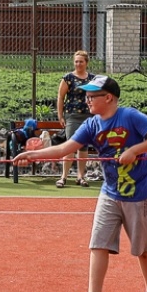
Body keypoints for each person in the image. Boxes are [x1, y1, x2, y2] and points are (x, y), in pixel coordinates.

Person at [15, 75, 147, 292]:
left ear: (108, 97)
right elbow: (65, 149)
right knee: (98, 244)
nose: (86, 100)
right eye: (86, 95)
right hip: (110, 192)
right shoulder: (91, 125)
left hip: (139, 193)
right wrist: (32, 155)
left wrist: (134, 150)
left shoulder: (130, 116)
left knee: (142, 249)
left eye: (92, 96)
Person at [55, 49, 95, 188]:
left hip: (88, 116)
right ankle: (63, 177)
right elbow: (61, 97)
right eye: (76, 61)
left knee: (83, 146)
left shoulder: (92, 79)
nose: (78, 64)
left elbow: (97, 96)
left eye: (81, 61)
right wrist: (60, 115)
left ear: (86, 63)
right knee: (70, 145)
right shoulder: (68, 78)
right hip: (72, 115)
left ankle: (81, 176)